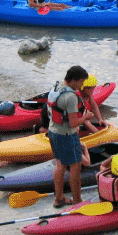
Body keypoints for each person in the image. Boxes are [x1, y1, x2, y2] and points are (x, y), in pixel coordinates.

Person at [47, 65, 96, 207]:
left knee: (60, 164)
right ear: (74, 80)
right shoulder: (71, 97)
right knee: (75, 167)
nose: (81, 87)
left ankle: (59, 198)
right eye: (81, 83)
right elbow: (74, 122)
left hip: (53, 132)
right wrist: (87, 116)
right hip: (67, 135)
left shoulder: (56, 88)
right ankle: (77, 201)